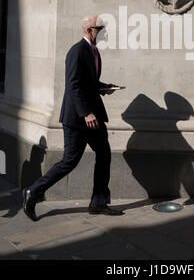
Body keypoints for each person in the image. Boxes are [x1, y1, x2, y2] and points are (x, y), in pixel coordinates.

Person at [23, 15, 124, 221]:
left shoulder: (93, 51)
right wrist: (85, 113)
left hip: (93, 116)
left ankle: (98, 202)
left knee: (104, 153)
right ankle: (32, 192)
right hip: (78, 118)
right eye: (99, 29)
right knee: (70, 161)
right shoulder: (77, 51)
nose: (102, 33)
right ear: (89, 30)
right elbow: (73, 85)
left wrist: (104, 88)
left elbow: (88, 83)